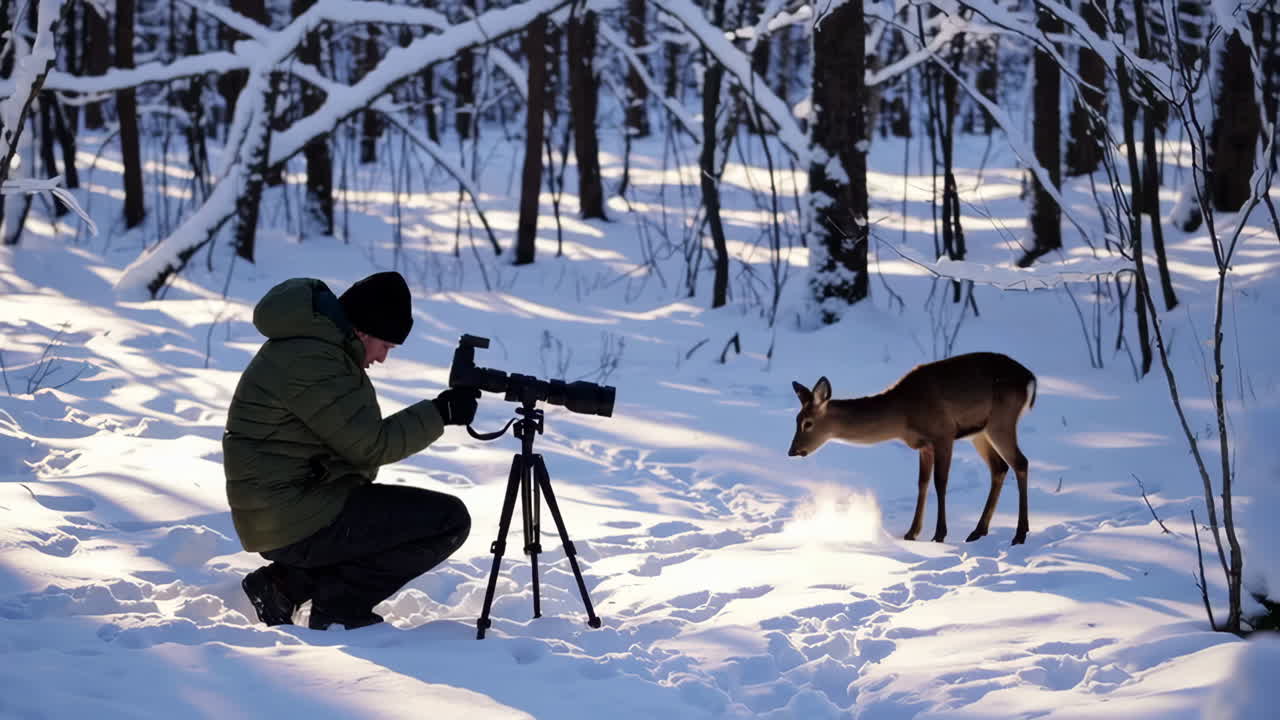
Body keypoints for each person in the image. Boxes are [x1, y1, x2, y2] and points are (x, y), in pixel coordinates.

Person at [223, 271, 479, 630]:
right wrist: (440, 413)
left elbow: (350, 442)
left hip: (288, 507)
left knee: (383, 517)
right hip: (288, 514)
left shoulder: (315, 349)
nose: (383, 358)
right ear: (363, 330)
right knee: (446, 521)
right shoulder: (315, 361)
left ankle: (285, 585)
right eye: (386, 346)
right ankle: (339, 609)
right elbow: (370, 445)